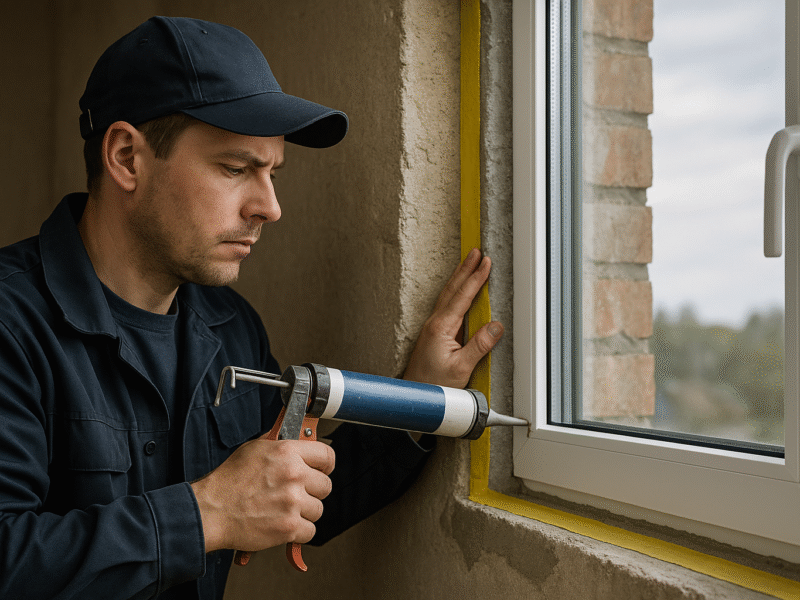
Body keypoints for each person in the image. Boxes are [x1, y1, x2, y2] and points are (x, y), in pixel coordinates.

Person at [0, 16, 504, 600]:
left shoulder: (231, 326)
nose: (269, 207)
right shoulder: (14, 323)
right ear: (126, 157)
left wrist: (421, 398)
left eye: (272, 173)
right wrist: (207, 513)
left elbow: (292, 494)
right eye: (236, 169)